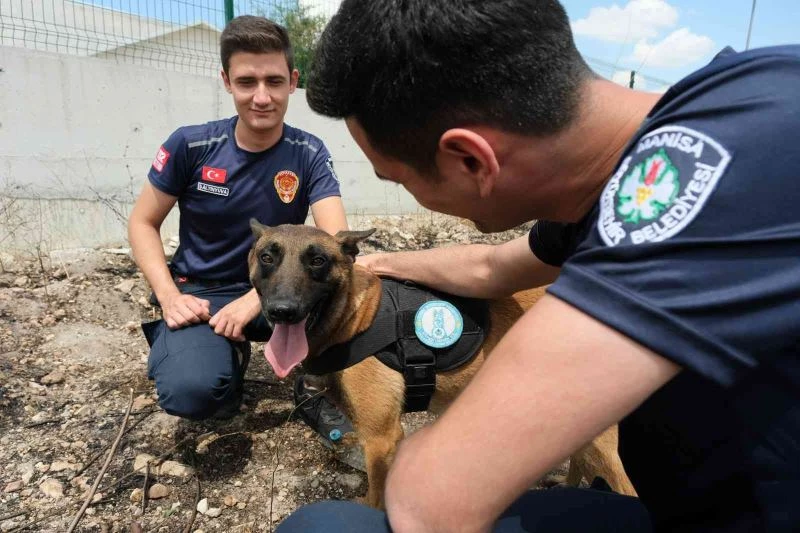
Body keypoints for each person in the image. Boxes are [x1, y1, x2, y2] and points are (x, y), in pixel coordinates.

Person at [274, 0, 800, 532]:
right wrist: (383, 263)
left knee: (322, 527)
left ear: (472, 160)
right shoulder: (739, 97)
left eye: (399, 180)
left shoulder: (678, 201)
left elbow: (431, 500)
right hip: (686, 494)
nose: (409, 194)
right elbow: (493, 267)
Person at [128, 15, 354, 437]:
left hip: (281, 288)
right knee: (192, 392)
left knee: (350, 293)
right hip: (203, 294)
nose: (262, 97)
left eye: (274, 81)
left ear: (293, 82)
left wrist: (256, 298)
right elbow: (143, 222)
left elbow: (334, 241)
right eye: (247, 82)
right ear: (227, 82)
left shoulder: (308, 152)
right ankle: (223, 353)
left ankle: (317, 385)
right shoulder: (191, 145)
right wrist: (170, 296)